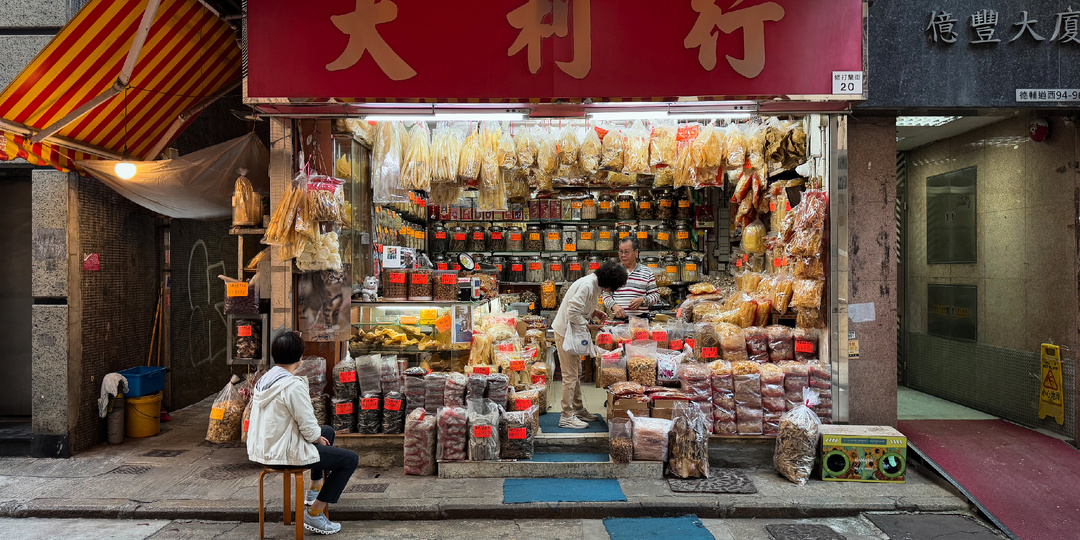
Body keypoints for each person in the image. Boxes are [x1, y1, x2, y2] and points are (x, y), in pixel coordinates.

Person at [247, 331, 359, 535]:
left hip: (265, 447)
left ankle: (314, 488)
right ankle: (314, 513)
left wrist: (319, 436)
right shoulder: (292, 385)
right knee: (349, 460)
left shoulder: (266, 381)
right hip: (284, 453)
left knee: (327, 431)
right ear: (299, 357)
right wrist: (317, 439)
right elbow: (308, 427)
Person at [551, 261, 628, 429]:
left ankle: (577, 409)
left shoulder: (594, 283)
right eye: (613, 288)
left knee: (576, 371)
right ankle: (566, 416)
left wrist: (594, 312)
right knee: (570, 375)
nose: (611, 291)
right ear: (609, 283)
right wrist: (588, 325)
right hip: (566, 332)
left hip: (571, 332)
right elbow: (572, 312)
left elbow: (581, 305)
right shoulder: (588, 285)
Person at [602, 237, 661, 320]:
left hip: (641, 320)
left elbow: (655, 295)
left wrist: (643, 300)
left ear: (636, 252)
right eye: (621, 252)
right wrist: (614, 306)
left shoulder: (647, 272)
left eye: (626, 252)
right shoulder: (613, 272)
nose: (623, 255)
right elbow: (606, 294)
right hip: (619, 320)